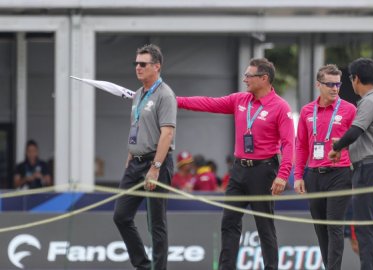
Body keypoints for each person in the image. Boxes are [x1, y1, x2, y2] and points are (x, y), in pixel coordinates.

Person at [177, 58, 294, 270]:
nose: (244, 79)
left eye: (249, 76)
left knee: (265, 227)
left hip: (264, 171)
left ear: (264, 78)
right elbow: (207, 103)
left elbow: (289, 144)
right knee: (229, 223)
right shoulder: (240, 100)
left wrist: (283, 175)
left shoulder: (280, 107)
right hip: (239, 170)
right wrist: (175, 101)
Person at [113, 44, 176, 270]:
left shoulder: (166, 95)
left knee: (156, 223)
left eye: (143, 64)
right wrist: (131, 152)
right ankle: (143, 265)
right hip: (136, 162)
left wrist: (156, 167)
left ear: (156, 67)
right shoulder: (138, 94)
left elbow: (167, 133)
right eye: (136, 64)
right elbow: (137, 125)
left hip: (155, 163)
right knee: (121, 215)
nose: (137, 67)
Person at [328, 58, 373, 270]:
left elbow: (355, 131)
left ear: (357, 79)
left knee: (364, 226)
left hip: (368, 168)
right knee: (372, 225)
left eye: (351, 79)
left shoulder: (369, 102)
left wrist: (337, 148)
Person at [294, 64, 356, 270]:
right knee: (320, 227)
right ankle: (329, 265)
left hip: (340, 173)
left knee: (334, 226)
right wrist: (298, 176)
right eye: (329, 84)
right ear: (318, 85)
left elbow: (357, 141)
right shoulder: (306, 111)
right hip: (313, 174)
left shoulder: (349, 109)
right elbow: (301, 145)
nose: (334, 88)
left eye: (337, 84)